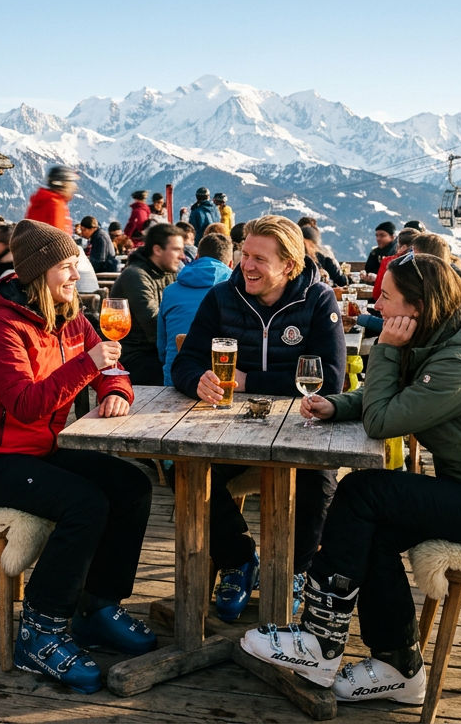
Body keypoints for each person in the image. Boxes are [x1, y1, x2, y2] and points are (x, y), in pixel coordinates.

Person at [241, 253, 461, 704]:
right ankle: (398, 665)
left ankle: (319, 639)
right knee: (375, 529)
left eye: (386, 297)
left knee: (362, 492)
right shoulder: (441, 339)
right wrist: (339, 405)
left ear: (418, 307)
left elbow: (382, 421)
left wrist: (387, 348)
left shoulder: (460, 363)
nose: (378, 305)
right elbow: (395, 398)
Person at [0, 219, 153, 694]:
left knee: (132, 485)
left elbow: (112, 365)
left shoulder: (70, 316)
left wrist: (115, 389)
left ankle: (97, 606)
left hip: (41, 450)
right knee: (86, 504)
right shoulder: (1, 327)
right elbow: (25, 404)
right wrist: (89, 364)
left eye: (75, 264)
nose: (76, 275)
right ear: (39, 272)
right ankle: (40, 630)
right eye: (66, 267)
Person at [170, 215, 345, 622]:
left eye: (259, 259)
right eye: (244, 254)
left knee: (317, 479)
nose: (245, 265)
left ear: (289, 265)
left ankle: (295, 570)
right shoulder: (221, 297)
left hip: (299, 425)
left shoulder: (318, 300)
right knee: (188, 472)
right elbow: (185, 362)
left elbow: (330, 379)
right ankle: (238, 559)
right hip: (231, 427)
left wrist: (251, 381)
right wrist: (198, 380)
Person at [108, 222, 183, 385]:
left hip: (156, 352)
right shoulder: (135, 276)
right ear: (157, 250)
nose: (182, 256)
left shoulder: (168, 273)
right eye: (176, 249)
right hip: (134, 357)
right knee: (185, 376)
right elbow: (153, 324)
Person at [156, 232, 232, 386]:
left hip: (175, 381)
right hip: (222, 384)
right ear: (230, 264)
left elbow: (162, 348)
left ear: (196, 257)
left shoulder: (170, 291)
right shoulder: (236, 291)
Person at [25, 165, 79, 234]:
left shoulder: (41, 201)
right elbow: (59, 237)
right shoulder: (56, 205)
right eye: (71, 183)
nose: (75, 188)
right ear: (64, 185)